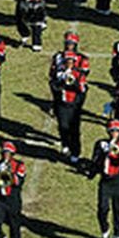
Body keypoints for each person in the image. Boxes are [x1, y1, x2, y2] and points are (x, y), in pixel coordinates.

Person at [89, 119, 119, 238]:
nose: (114, 134)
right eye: (112, 131)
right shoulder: (101, 144)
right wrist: (102, 154)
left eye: (117, 131)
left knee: (118, 209)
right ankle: (105, 228)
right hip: (105, 180)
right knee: (102, 208)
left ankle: (118, 235)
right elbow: (95, 162)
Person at [50, 34, 89, 163]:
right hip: (61, 100)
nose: (69, 63)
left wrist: (73, 83)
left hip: (74, 102)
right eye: (67, 61)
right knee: (62, 125)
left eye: (71, 61)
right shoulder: (59, 66)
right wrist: (60, 83)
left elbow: (82, 88)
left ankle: (75, 152)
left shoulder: (79, 70)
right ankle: (65, 144)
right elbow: (52, 81)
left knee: (74, 128)